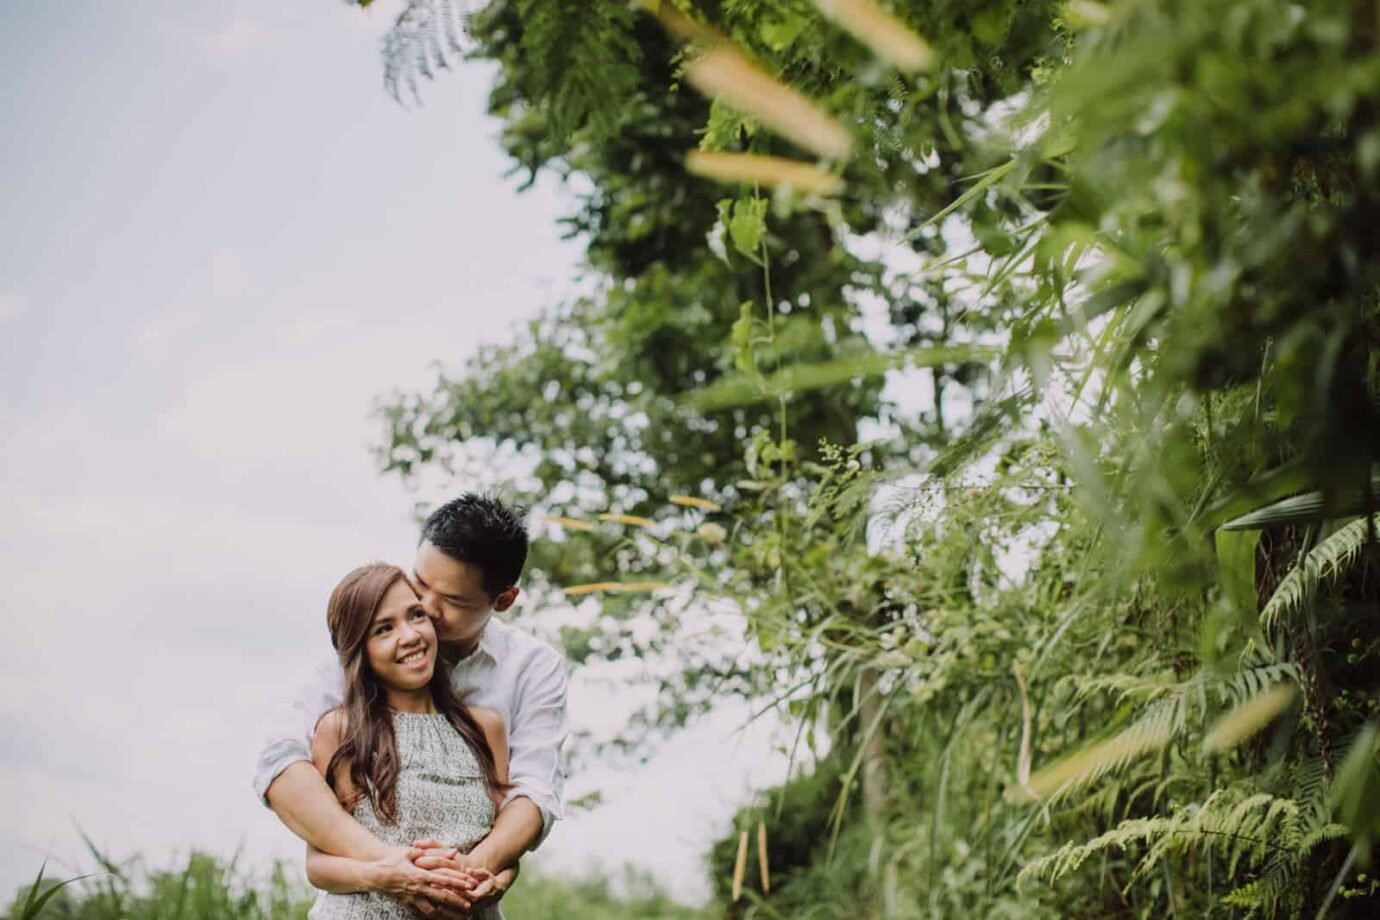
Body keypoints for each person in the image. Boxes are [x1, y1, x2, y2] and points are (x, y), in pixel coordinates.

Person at [253, 494, 568, 916]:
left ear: (504, 600)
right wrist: (393, 869)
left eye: (453, 601)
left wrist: (468, 875)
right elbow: (280, 762)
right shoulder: (350, 678)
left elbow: (533, 793)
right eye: (421, 583)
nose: (426, 613)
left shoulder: (529, 670)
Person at [307, 562, 512, 918]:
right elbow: (317, 865)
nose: (410, 636)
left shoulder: (486, 728)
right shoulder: (341, 730)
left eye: (415, 616)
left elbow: (505, 852)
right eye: (384, 629)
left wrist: (498, 881)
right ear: (361, 650)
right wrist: (385, 877)